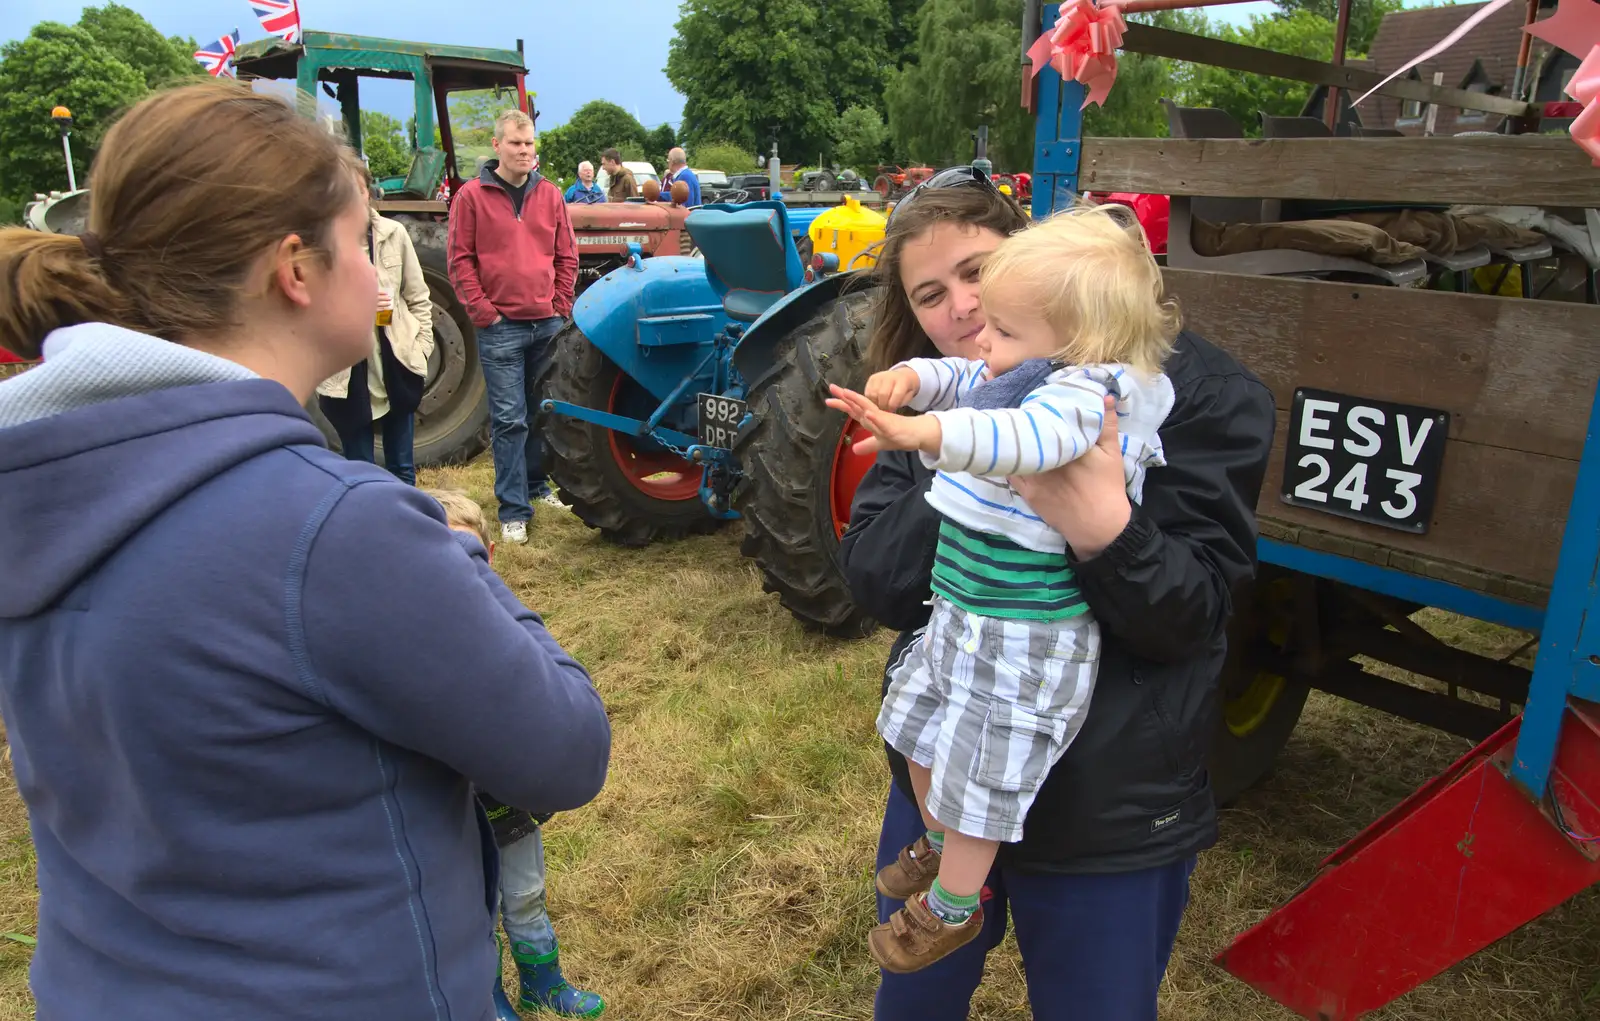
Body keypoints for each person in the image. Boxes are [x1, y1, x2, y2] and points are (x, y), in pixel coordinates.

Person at [0, 81, 611, 1021]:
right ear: (296, 268)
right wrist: (460, 566)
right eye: (363, 239)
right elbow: (567, 749)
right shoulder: (340, 532)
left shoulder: (37, 486)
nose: (376, 274)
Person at [835, 168, 1275, 1020]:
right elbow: (879, 581)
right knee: (914, 1002)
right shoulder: (969, 379)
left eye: (978, 273)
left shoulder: (1198, 397)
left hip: (1107, 808)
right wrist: (972, 472)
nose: (962, 310)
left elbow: (1192, 616)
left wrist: (1108, 530)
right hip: (952, 773)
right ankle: (945, 873)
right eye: (932, 294)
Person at [826, 205, 1179, 973]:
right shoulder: (1029, 359)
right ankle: (944, 838)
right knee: (913, 721)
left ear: (1075, 339)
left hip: (1025, 629)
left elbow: (1022, 437)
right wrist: (910, 378)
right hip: (965, 605)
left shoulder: (1083, 395)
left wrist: (926, 434)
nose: (980, 333)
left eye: (1003, 326)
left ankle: (952, 906)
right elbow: (967, 374)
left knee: (986, 768)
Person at [427, 488, 607, 1020]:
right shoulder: (411, 642)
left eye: (470, 555)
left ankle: (543, 983)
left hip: (509, 805)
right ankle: (488, 999)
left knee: (526, 893)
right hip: (455, 810)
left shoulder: (505, 630)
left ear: (490, 556)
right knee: (469, 909)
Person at [448, 109, 578, 544]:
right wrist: (485, 312)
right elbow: (460, 261)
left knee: (542, 412)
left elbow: (567, 255)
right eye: (516, 143)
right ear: (497, 145)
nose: (524, 151)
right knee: (508, 419)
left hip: (545, 323)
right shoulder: (471, 197)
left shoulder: (551, 195)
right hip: (501, 326)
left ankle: (538, 486)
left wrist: (559, 305)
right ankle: (513, 510)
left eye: (529, 144)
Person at [316, 165, 434, 485]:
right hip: (347, 374)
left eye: (359, 190)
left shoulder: (394, 234)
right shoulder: (321, 244)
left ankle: (407, 528)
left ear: (368, 192)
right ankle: (367, 529)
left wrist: (420, 350)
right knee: (360, 471)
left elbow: (419, 298)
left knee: (403, 470)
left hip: (395, 365)